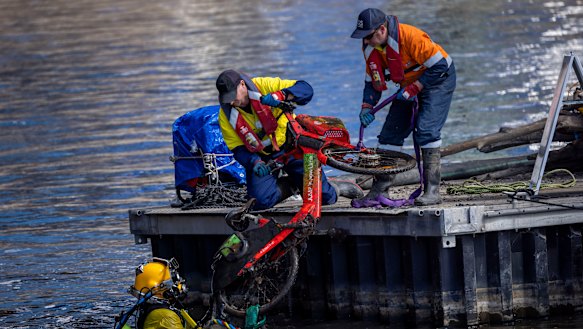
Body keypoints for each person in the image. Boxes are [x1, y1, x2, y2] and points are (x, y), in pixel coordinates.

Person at [350, 8, 456, 206]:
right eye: (363, 37)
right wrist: (367, 106)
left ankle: (432, 191)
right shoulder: (370, 48)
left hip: (438, 80)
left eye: (368, 36)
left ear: (381, 30)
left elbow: (441, 65)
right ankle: (380, 191)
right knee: (389, 135)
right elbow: (371, 82)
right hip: (408, 86)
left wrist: (416, 87)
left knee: (426, 131)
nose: (365, 41)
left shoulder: (412, 37)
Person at [216, 69, 363, 210]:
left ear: (242, 84)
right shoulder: (226, 116)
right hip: (265, 158)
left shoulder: (263, 85)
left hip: (293, 148)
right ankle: (293, 184)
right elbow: (237, 148)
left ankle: (337, 186)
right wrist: (254, 162)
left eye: (233, 96)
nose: (231, 102)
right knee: (259, 202)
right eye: (227, 98)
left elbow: (306, 89)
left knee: (324, 198)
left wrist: (280, 96)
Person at [129, 258, 190, 329]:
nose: (178, 284)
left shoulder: (153, 310)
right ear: (159, 287)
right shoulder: (165, 316)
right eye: (173, 280)